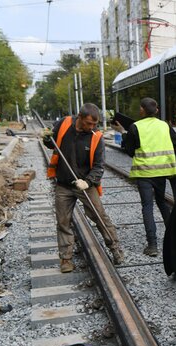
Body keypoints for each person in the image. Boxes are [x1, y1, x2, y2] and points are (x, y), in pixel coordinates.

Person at [43, 103, 124, 272]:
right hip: (64, 184)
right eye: (89, 123)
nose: (92, 127)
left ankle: (115, 249)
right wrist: (47, 138)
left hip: (85, 184)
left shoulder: (96, 136)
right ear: (79, 118)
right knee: (63, 221)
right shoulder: (64, 123)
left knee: (100, 216)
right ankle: (66, 259)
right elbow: (52, 143)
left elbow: (99, 165)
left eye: (95, 124)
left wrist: (87, 182)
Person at [113, 97, 176, 266]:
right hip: (163, 173)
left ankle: (153, 245)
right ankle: (172, 239)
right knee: (161, 202)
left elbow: (130, 151)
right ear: (157, 111)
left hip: (144, 173)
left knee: (147, 206)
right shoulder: (165, 125)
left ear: (141, 110)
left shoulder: (135, 127)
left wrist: (123, 133)